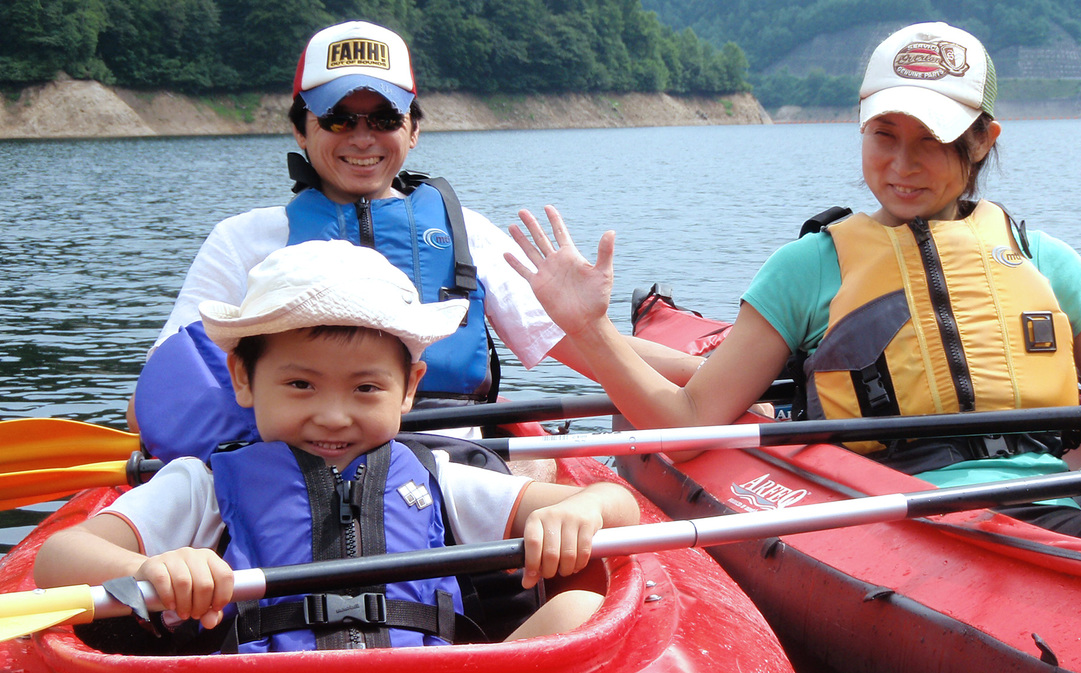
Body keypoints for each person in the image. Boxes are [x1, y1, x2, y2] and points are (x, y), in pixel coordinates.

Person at [504, 22, 1081, 555]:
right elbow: (689, 422)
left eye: (932, 139)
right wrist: (590, 331)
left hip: (1052, 496)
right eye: (883, 135)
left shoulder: (1042, 258)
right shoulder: (807, 267)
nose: (902, 164)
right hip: (893, 510)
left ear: (983, 139)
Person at [35, 240, 641, 652]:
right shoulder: (201, 486)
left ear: (408, 390)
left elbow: (617, 508)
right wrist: (147, 568)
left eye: (365, 388)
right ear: (244, 378)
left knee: (578, 610)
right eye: (300, 384)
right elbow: (58, 558)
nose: (332, 414)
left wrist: (579, 511)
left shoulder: (437, 477)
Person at [127, 19, 699, 437]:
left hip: (448, 461)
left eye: (383, 119)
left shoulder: (465, 233)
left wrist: (715, 377)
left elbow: (585, 348)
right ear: (301, 130)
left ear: (414, 131)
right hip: (295, 464)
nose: (361, 137)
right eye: (337, 118)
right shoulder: (242, 242)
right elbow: (161, 397)